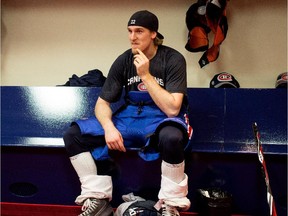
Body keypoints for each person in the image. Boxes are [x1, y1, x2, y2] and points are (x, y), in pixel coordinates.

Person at [63, 10, 192, 216]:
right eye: (130, 31)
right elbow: (102, 104)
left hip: (161, 116)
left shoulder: (173, 59)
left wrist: (145, 75)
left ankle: (170, 204)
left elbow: (173, 108)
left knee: (172, 137)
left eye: (139, 31)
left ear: (153, 34)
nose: (133, 37)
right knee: (74, 135)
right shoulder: (124, 60)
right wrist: (109, 128)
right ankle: (97, 199)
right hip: (131, 115)